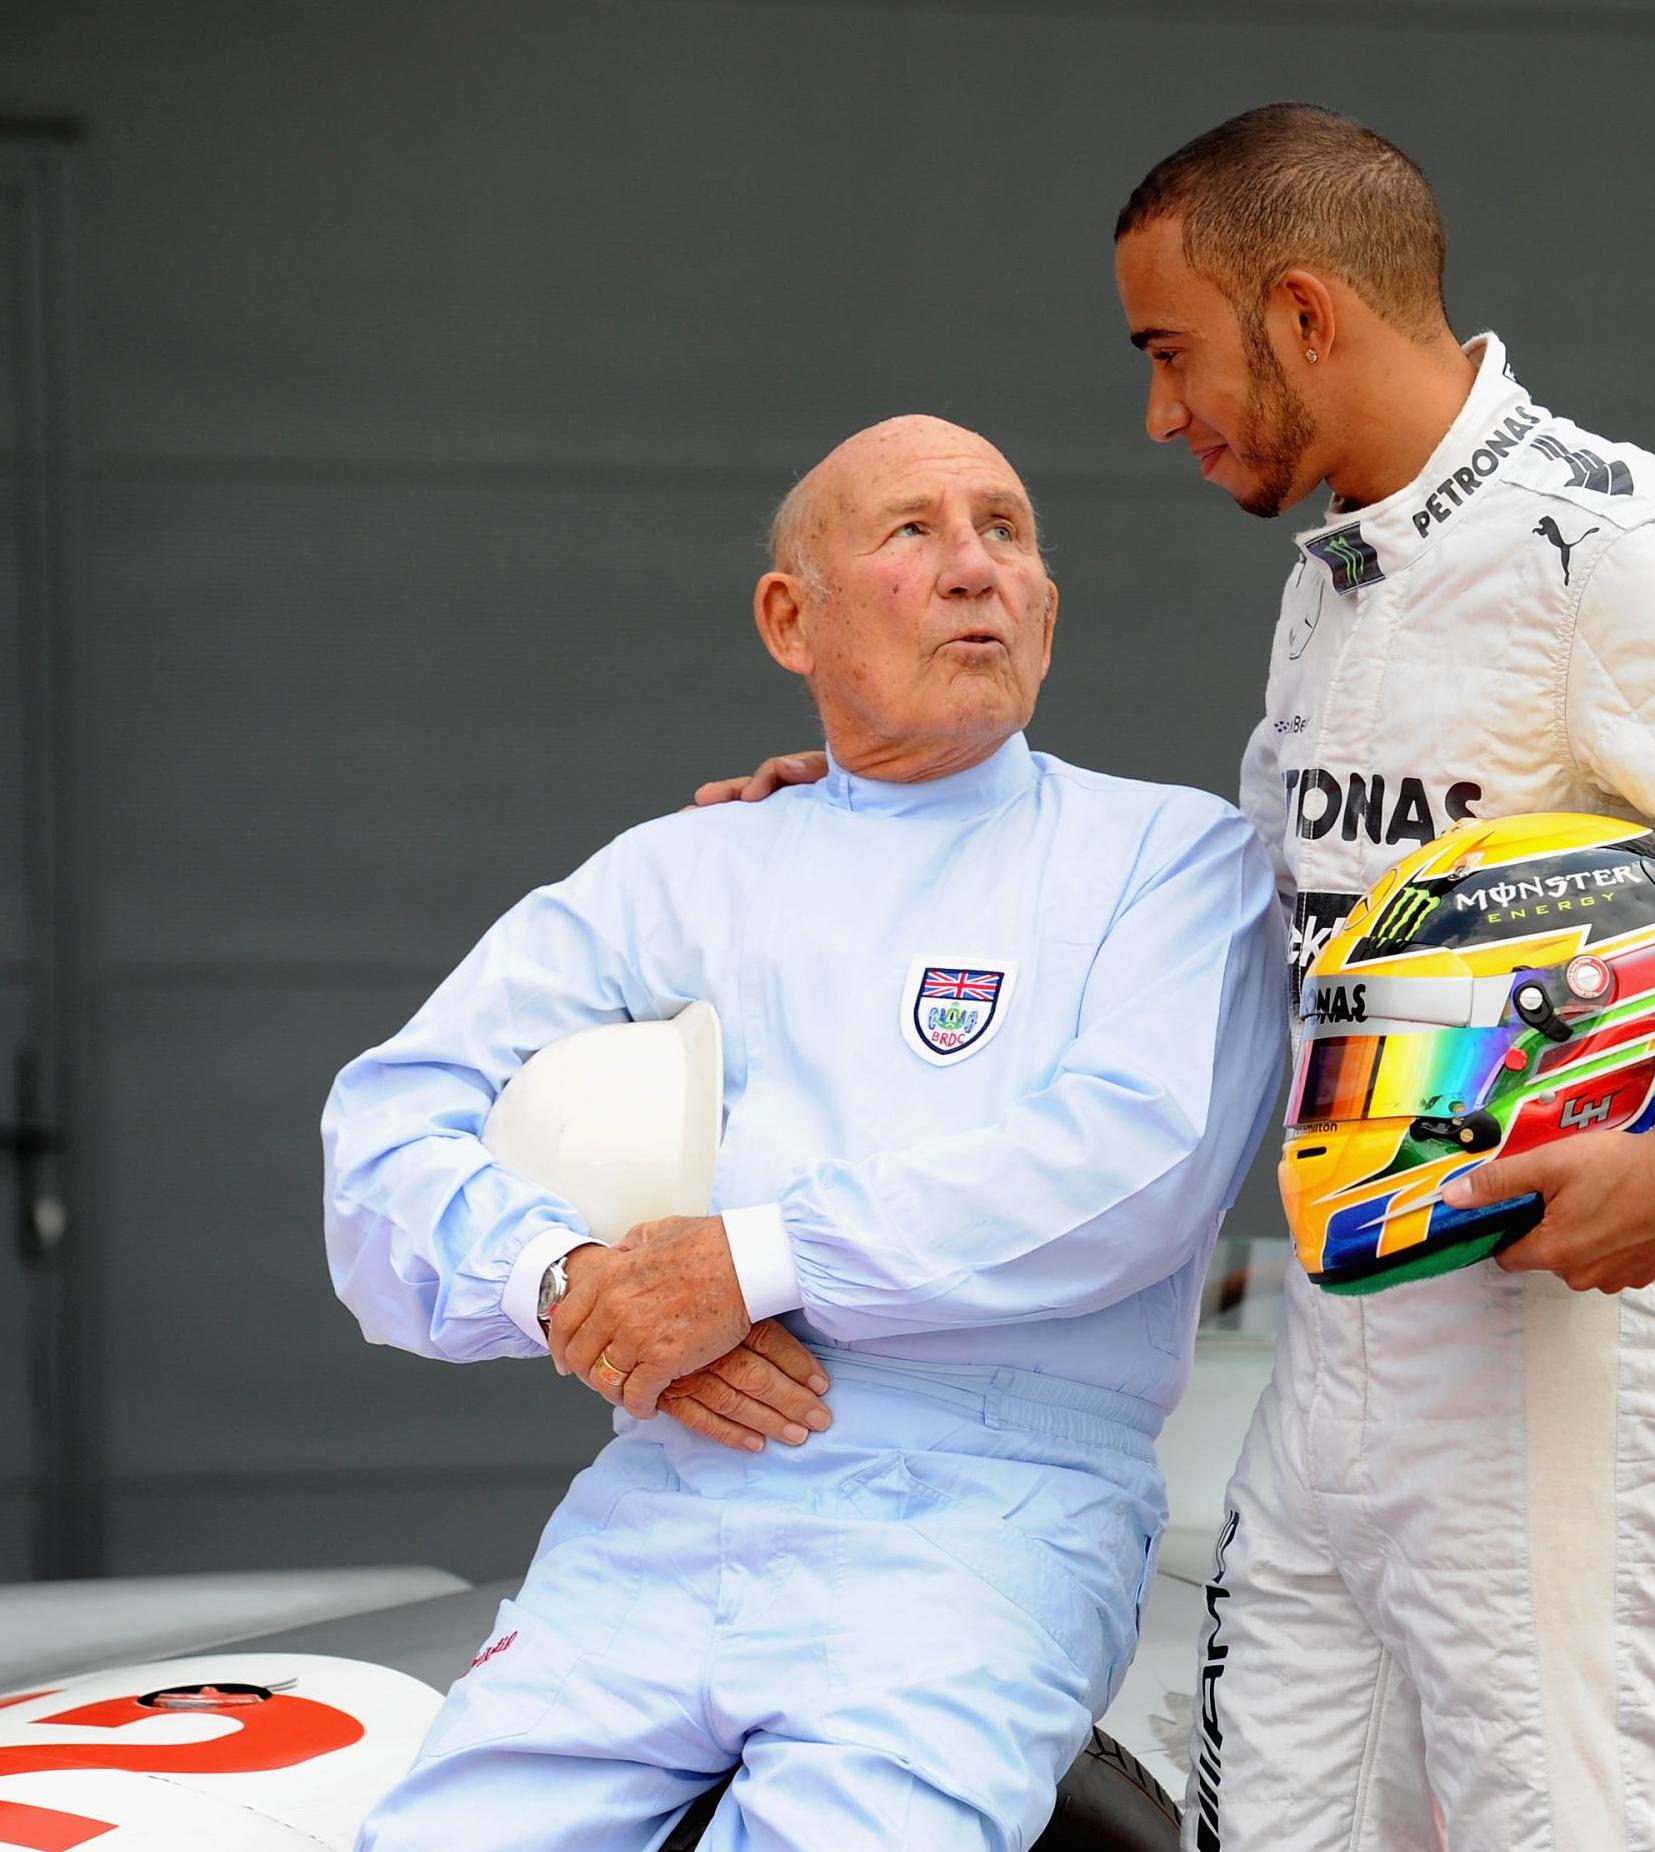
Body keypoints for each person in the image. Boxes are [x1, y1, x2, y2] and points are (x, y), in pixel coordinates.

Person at [701, 105, 1655, 1852]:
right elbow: (1265, 917)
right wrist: (885, 805)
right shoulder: (1351, 575)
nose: (1158, 414)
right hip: (1341, 1337)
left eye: (1173, 352)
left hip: (1554, 1344)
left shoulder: (1606, 538)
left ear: (1300, 313)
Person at [324, 415, 1286, 1852]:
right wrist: (567, 1287)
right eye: (912, 531)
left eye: (1006, 532)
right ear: (791, 618)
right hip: (662, 1492)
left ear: (1047, 607)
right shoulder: (684, 867)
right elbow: (390, 1124)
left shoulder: (1169, 857)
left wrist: (749, 1265)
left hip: (985, 1518)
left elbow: (1130, 1164)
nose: (975, 569)